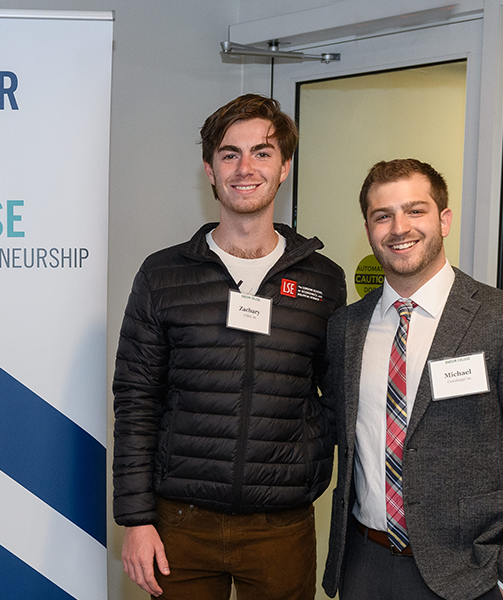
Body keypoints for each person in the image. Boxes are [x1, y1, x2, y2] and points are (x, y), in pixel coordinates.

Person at [113, 94, 346, 599]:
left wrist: (307, 464)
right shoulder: (163, 274)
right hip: (180, 525)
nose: (245, 168)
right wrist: (136, 519)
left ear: (284, 166)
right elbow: (136, 403)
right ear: (209, 169)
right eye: (229, 154)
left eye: (262, 153)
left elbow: (338, 396)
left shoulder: (323, 281)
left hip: (280, 526)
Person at [320, 159, 503, 600]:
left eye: (415, 210)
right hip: (364, 566)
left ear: (444, 220)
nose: (399, 227)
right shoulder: (346, 327)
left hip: (470, 576)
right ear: (368, 229)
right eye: (383, 215)